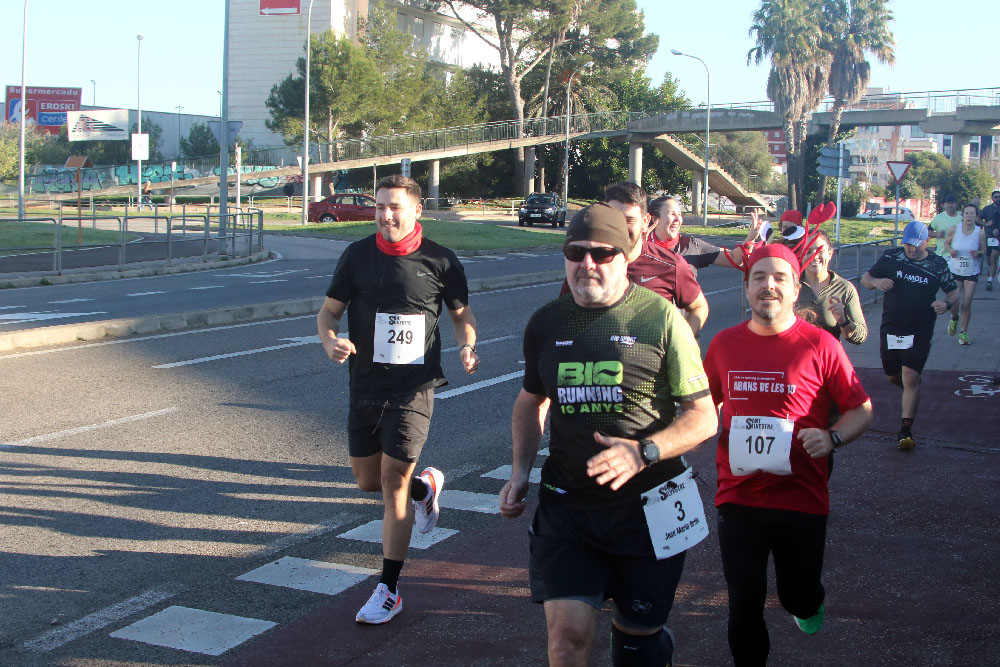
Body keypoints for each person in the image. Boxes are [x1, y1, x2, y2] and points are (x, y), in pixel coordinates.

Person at [500, 202, 719, 666]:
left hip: (649, 508)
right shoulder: (547, 322)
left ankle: (651, 645)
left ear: (627, 254)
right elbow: (530, 402)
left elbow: (703, 416)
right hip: (569, 508)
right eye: (576, 252)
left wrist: (644, 451)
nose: (588, 265)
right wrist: (520, 472)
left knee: (636, 643)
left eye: (602, 253)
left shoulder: (661, 319)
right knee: (566, 642)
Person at [317, 174, 480, 624]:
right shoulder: (357, 256)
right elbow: (329, 312)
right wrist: (330, 340)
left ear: (416, 211)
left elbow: (462, 316)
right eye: (380, 207)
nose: (386, 215)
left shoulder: (441, 261)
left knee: (392, 485)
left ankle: (388, 588)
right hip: (365, 384)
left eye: (395, 207)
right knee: (369, 481)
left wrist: (467, 344)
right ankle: (426, 487)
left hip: (414, 388)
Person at [703, 242, 873, 667]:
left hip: (802, 495)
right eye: (759, 277)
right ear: (746, 287)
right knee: (744, 600)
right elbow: (704, 405)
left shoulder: (820, 345)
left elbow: (860, 409)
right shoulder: (724, 344)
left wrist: (832, 438)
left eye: (779, 278)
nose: (768, 286)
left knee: (796, 595)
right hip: (738, 495)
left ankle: (808, 602)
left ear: (796, 289)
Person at [560, 183, 710, 335]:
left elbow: (699, 307)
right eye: (615, 219)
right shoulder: (585, 265)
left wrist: (681, 345)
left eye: (629, 220)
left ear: (645, 222)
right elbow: (563, 315)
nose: (621, 228)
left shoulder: (671, 264)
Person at [861, 220, 958, 450]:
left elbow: (953, 291)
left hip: (920, 329)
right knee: (894, 377)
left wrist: (945, 303)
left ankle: (905, 431)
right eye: (908, 245)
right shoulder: (891, 257)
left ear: (927, 241)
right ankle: (910, 388)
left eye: (917, 245)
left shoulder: (937, 264)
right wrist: (876, 281)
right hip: (891, 328)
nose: (912, 250)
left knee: (910, 377)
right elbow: (865, 280)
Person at [648, 196, 763, 278]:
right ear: (654, 219)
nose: (678, 219)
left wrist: (751, 237)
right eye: (672, 214)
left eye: (679, 214)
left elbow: (734, 258)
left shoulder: (692, 245)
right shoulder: (640, 247)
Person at [797, 230, 868, 345]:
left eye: (820, 251)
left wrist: (844, 321)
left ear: (830, 254)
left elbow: (861, 336)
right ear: (801, 254)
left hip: (828, 359)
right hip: (796, 359)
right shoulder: (789, 286)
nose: (814, 256)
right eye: (808, 251)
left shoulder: (845, 288)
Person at [943, 203, 987, 344]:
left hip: (971, 271)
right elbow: (947, 243)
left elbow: (984, 250)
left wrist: (978, 253)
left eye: (972, 214)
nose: (969, 216)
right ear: (963, 215)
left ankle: (963, 333)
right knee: (954, 302)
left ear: (976, 216)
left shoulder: (980, 232)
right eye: (967, 213)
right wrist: (951, 251)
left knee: (967, 303)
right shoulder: (954, 229)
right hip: (955, 270)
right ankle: (954, 318)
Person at [978, 190, 1000, 290]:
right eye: (996, 197)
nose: (998, 199)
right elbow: (978, 219)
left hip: (998, 237)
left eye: (999, 197)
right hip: (990, 236)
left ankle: (990, 280)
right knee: (990, 259)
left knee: (994, 257)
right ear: (992, 198)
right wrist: (986, 224)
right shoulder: (987, 209)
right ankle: (990, 274)